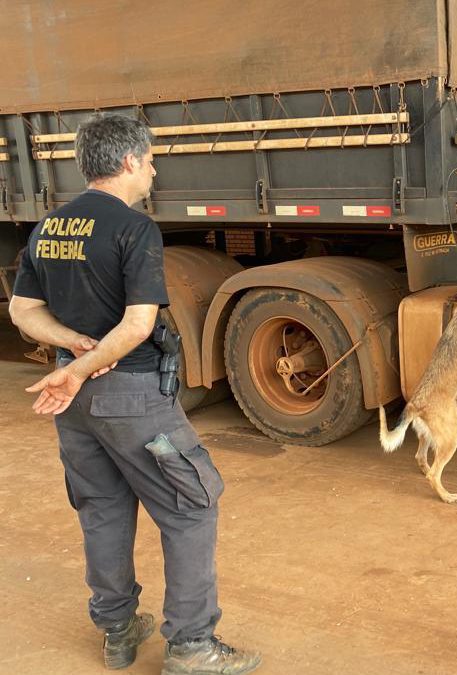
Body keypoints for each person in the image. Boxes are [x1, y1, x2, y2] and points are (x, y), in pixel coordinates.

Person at [9, 113, 261, 674]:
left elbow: (23, 310)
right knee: (192, 505)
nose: (153, 170)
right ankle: (191, 645)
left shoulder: (48, 227)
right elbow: (138, 325)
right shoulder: (134, 227)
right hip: (133, 399)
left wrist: (72, 349)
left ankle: (118, 630)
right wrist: (83, 364)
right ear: (128, 162)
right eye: (149, 160)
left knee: (101, 509)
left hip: (75, 409)